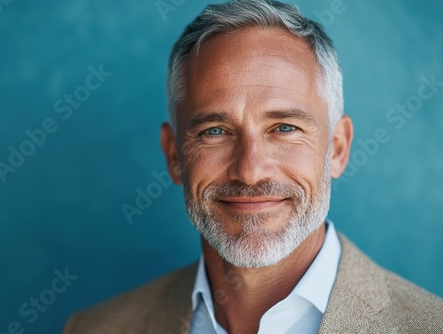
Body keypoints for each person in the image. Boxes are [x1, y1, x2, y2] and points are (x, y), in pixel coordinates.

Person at [64, 0, 443, 333]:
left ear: (337, 149)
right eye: (215, 130)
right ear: (174, 155)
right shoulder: (95, 328)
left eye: (284, 128)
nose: (250, 170)